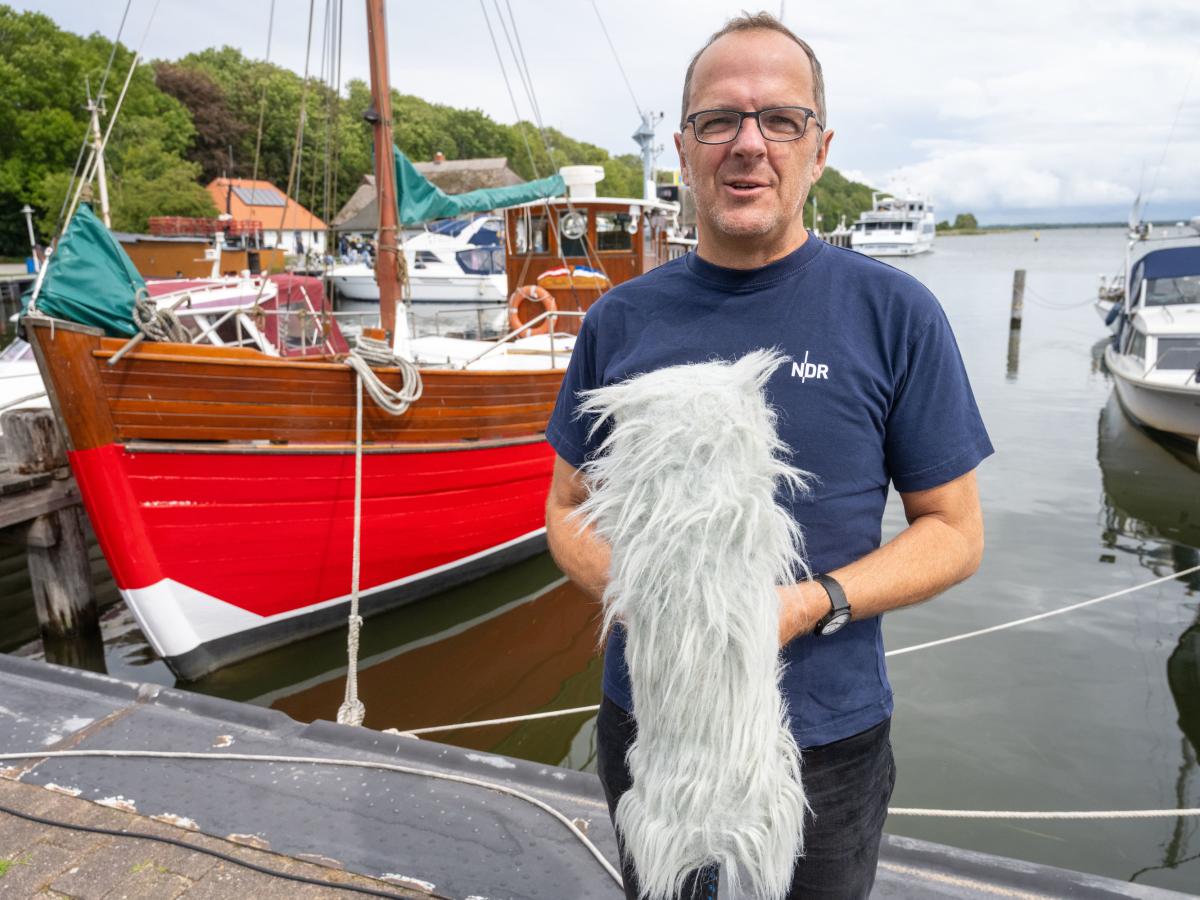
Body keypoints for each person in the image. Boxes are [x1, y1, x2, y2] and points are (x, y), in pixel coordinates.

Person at [543, 12, 992, 900]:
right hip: (652, 724)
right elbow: (565, 510)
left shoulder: (893, 312)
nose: (749, 144)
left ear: (818, 149)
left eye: (780, 120)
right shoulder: (618, 320)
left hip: (827, 735)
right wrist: (649, 595)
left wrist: (809, 602)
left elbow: (955, 530)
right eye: (721, 120)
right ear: (684, 147)